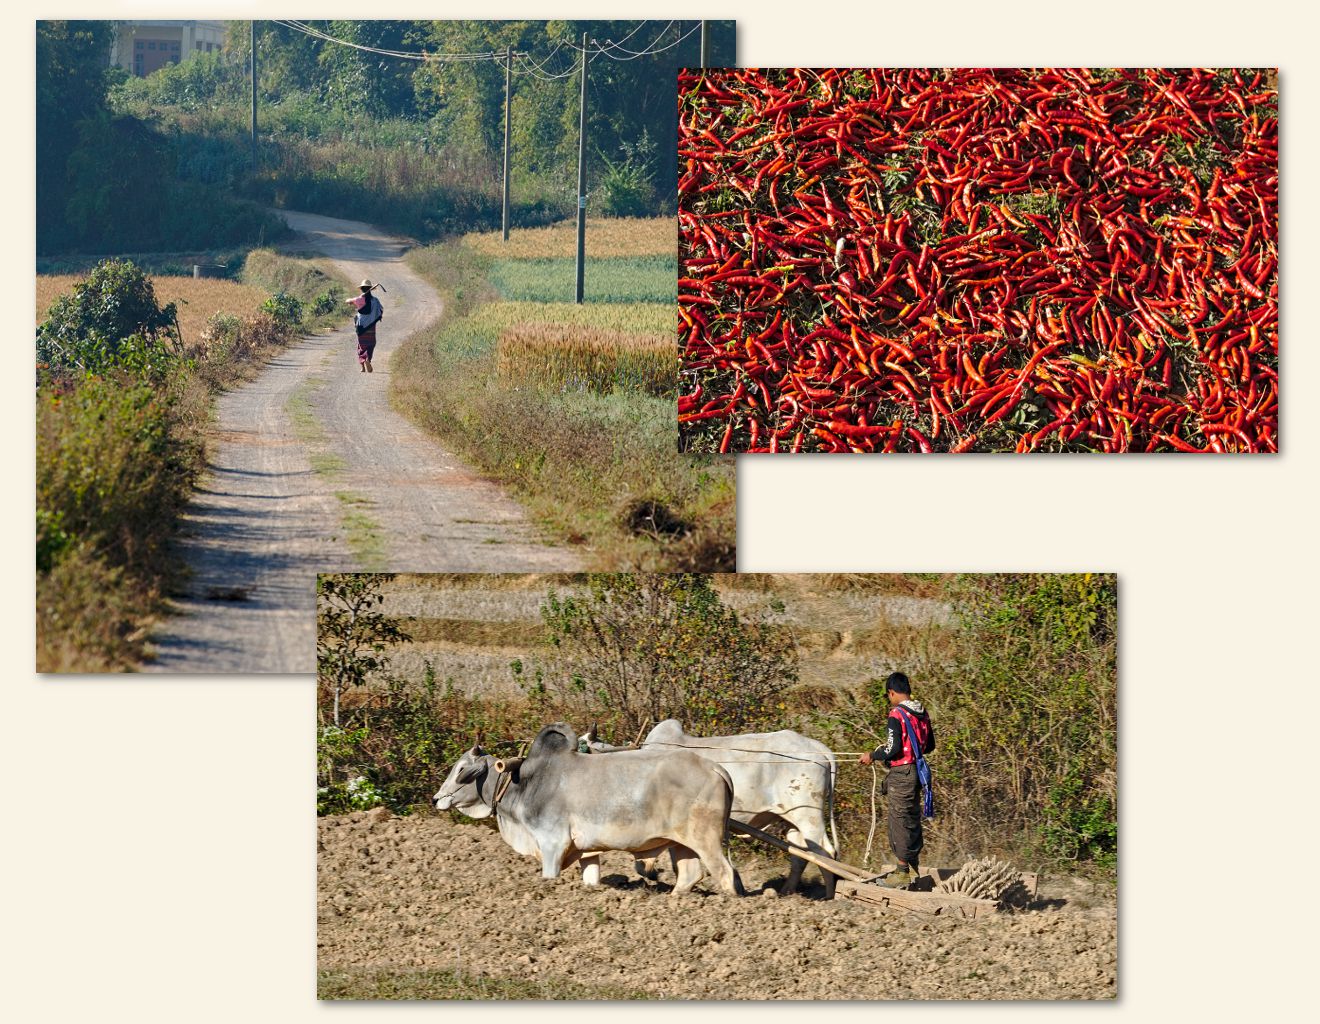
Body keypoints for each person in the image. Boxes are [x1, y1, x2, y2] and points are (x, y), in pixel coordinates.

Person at [859, 671, 935, 887]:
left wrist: (872, 756)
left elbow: (893, 749)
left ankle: (902, 872)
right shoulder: (921, 712)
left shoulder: (897, 714)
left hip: (902, 774)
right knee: (911, 819)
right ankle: (913, 867)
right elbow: (930, 746)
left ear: (891, 692)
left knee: (898, 820)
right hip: (918, 774)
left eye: (888, 695)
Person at [346, 279, 384, 373]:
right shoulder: (375, 300)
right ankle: (368, 360)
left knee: (361, 346)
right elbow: (380, 310)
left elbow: (347, 301)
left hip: (361, 327)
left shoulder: (359, 300)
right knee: (371, 344)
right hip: (371, 327)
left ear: (362, 289)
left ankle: (363, 366)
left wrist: (351, 301)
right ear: (370, 289)